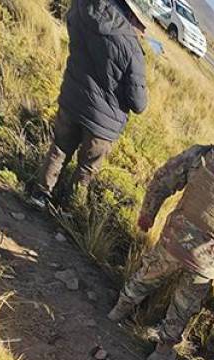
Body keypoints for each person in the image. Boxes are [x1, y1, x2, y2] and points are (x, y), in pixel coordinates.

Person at [107, 128, 214, 360]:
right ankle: (161, 351)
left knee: (147, 275)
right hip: (206, 262)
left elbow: (163, 178)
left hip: (174, 240)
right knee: (183, 306)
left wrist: (148, 213)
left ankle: (119, 311)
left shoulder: (205, 154)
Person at [28, 0, 149, 208]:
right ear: (132, 16)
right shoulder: (132, 48)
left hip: (72, 98)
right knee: (87, 168)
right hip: (102, 124)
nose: (143, 31)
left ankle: (40, 194)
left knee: (59, 148)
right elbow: (138, 104)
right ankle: (67, 211)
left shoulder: (83, 8)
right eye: (142, 24)